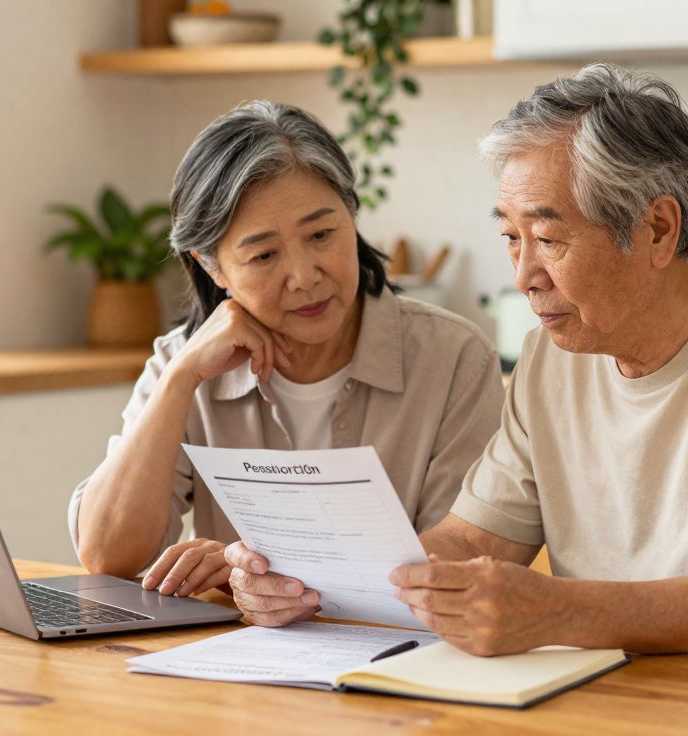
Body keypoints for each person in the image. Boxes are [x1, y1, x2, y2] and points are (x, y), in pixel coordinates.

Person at [223, 63, 688, 650]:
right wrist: (310, 579)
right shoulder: (550, 361)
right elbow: (473, 542)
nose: (523, 276)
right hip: (609, 702)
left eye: (548, 239)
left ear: (658, 229)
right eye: (510, 239)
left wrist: (560, 611)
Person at [69, 101, 504, 599]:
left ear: (352, 216)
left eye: (321, 234)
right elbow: (106, 556)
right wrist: (179, 379)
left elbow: (459, 561)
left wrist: (256, 575)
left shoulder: (454, 358)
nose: (304, 277)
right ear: (212, 268)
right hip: (235, 664)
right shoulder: (183, 364)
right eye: (264, 255)